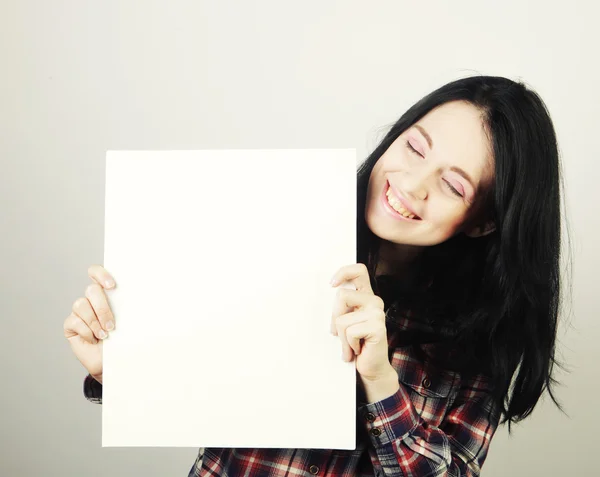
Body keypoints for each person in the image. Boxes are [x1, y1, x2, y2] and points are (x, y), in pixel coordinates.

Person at [63, 74, 567, 476]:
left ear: (484, 221)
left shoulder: (478, 343)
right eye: (415, 148)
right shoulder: (279, 230)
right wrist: (120, 366)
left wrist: (379, 379)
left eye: (453, 185)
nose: (412, 185)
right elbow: (204, 385)